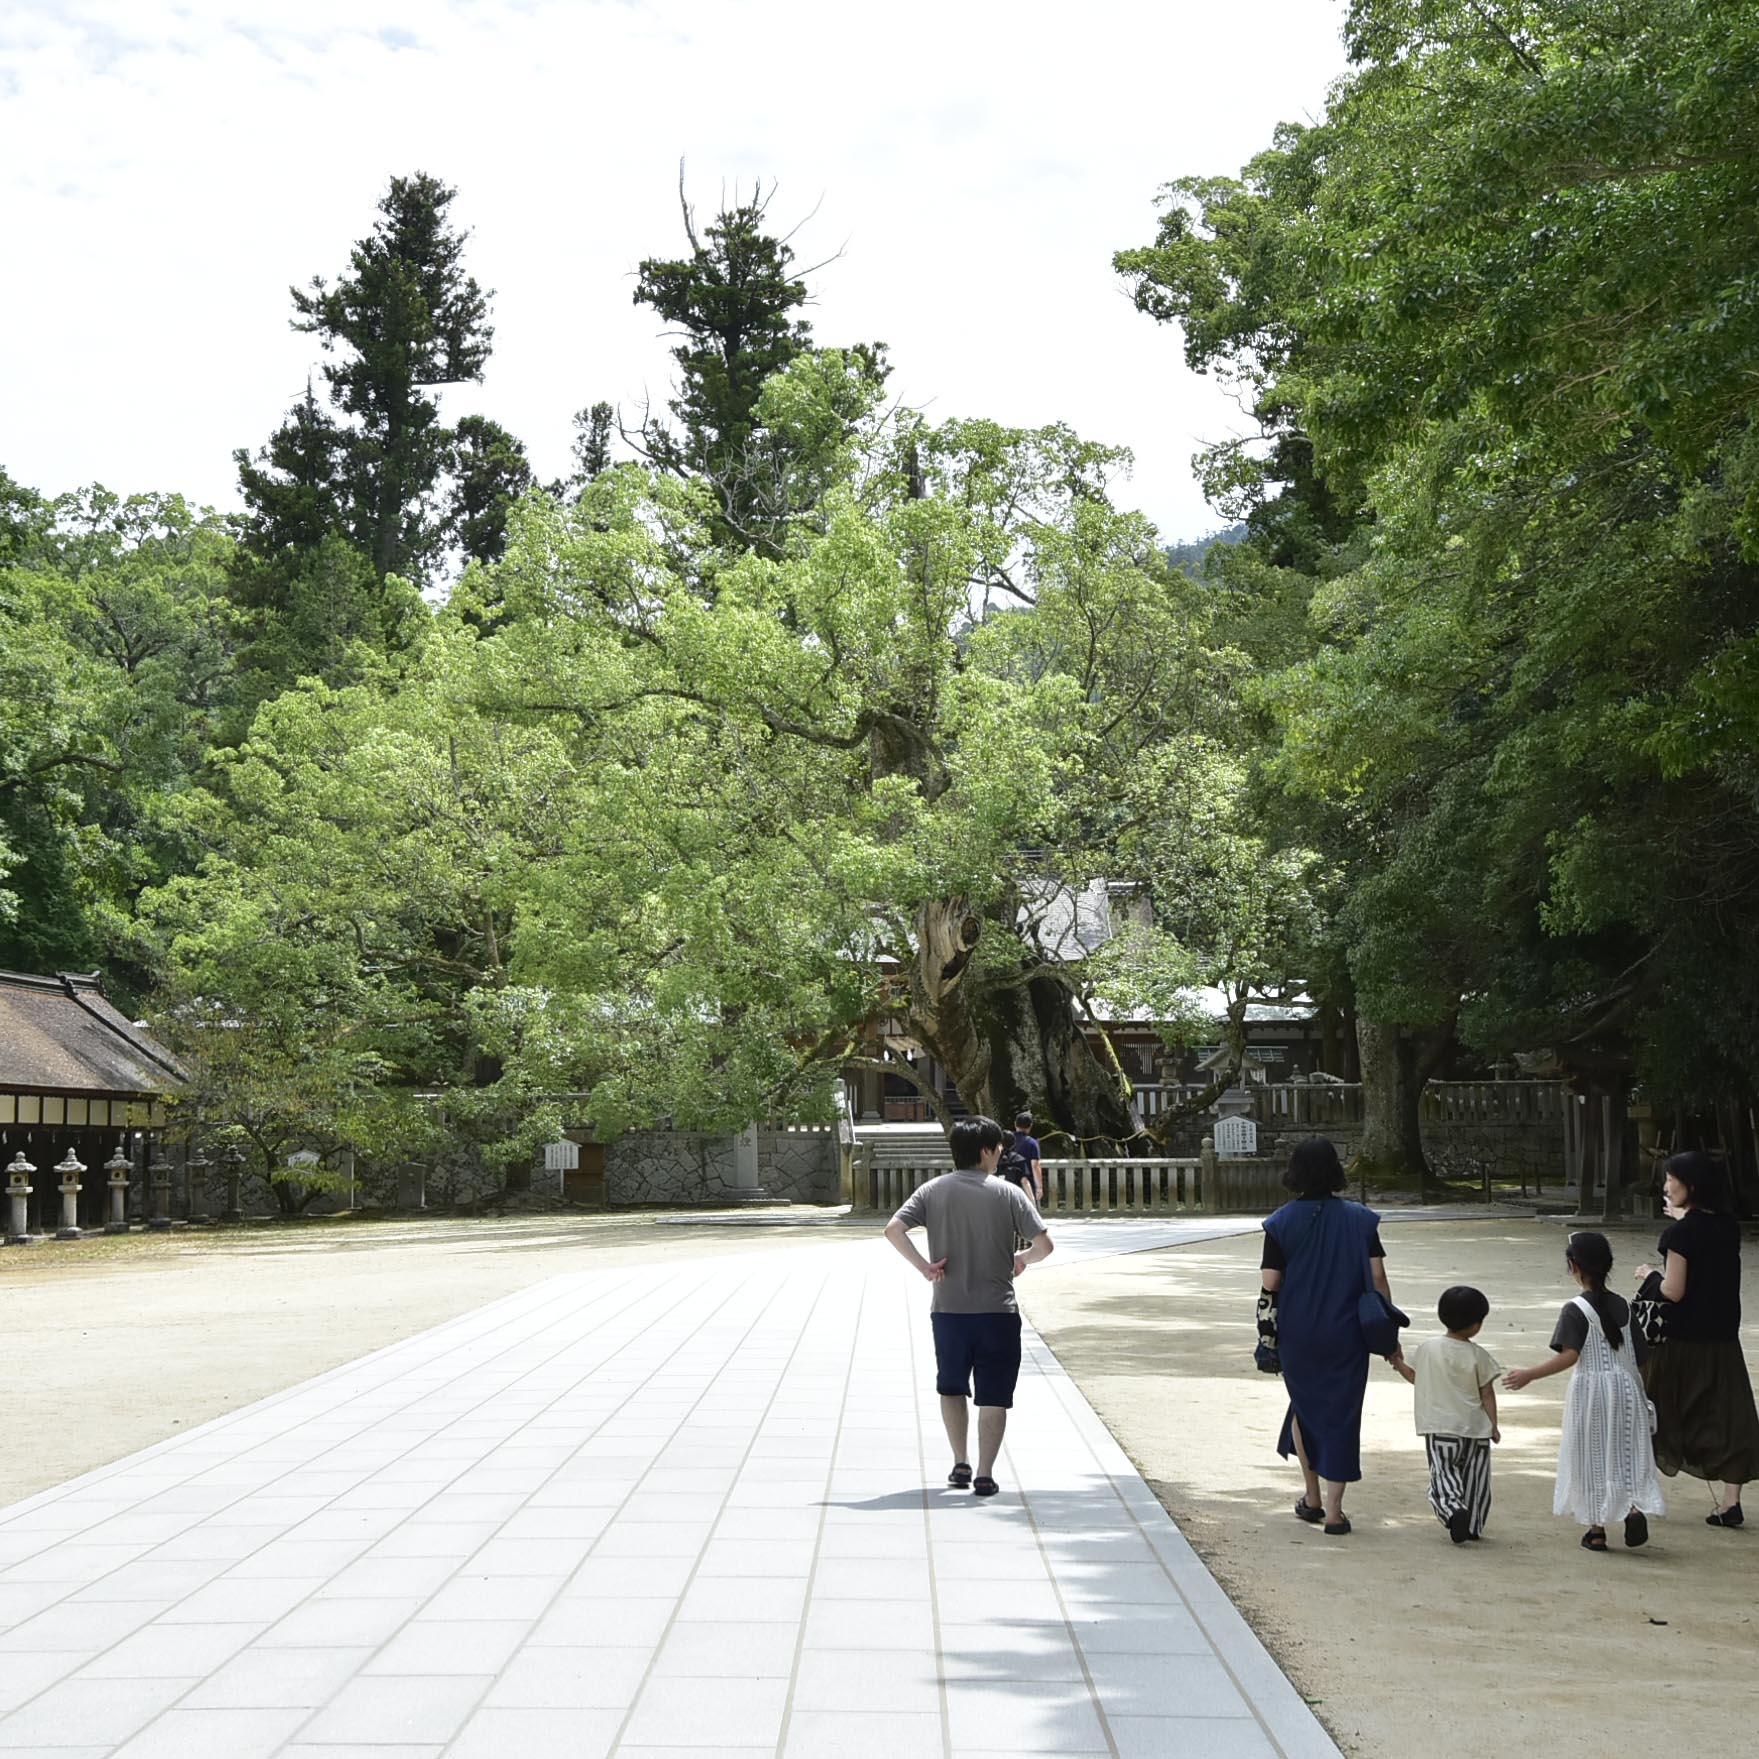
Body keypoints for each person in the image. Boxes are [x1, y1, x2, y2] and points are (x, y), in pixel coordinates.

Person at [884, 1116, 1054, 1497]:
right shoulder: (1008, 1193)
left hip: (948, 1310)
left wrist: (925, 1268)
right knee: (994, 1393)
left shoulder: (932, 1191)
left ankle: (959, 1463)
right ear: (984, 1151)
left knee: (952, 1386)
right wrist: (1021, 1257)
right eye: (997, 1149)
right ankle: (984, 1473)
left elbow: (893, 1229)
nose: (999, 1155)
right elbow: (1045, 1247)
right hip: (998, 1311)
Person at [1259, 1136, 1394, 1536]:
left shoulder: (1280, 1222)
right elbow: (1378, 1277)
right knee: (1342, 1413)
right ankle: (1335, 1511)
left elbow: (1271, 1281)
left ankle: (1312, 1496)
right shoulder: (1361, 1219)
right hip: (1348, 1330)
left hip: (1299, 1331)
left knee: (1305, 1407)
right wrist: (1384, 1325)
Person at [1504, 1231, 1665, 1552]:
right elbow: (1642, 1355)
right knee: (1626, 1451)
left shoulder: (1575, 1309)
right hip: (1627, 1389)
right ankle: (1633, 1508)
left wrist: (1529, 1375)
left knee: (1592, 1453)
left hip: (1592, 1391)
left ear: (1574, 1266)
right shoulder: (1623, 1305)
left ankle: (1597, 1530)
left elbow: (1570, 1355)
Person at [1635, 1151, 1759, 1526]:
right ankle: (1730, 1502)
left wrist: (1647, 1276)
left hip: (1680, 1340)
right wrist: (1683, 1219)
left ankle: (1637, 1497)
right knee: (1726, 1414)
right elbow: (1703, 1243)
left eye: (1671, 1179)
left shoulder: (1680, 1234)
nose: (1666, 1185)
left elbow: (1673, 1290)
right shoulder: (1727, 1225)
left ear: (1690, 1185)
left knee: (1655, 1412)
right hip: (1722, 1337)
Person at [1389, 1286, 1501, 1542]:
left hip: (1439, 1427)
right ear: (1475, 1325)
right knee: (1477, 1480)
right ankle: (1472, 1524)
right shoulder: (1479, 1355)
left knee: (1444, 1473)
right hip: (1475, 1429)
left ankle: (1453, 1509)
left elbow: (1415, 1377)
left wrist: (1397, 1362)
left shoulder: (1428, 1349)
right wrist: (1493, 1425)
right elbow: (1487, 1393)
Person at [1013, 1112, 1044, 1206]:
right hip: (1027, 1185)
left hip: (1007, 1181)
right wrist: (1039, 1187)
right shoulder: (1032, 1143)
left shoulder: (1006, 1140)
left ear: (1015, 1124)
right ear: (1030, 1126)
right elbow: (1035, 1165)